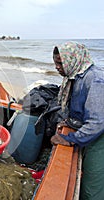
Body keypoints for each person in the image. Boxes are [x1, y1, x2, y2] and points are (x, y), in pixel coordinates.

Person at [50, 41, 104, 200]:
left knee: (92, 186)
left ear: (73, 59)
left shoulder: (95, 80)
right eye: (55, 63)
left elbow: (97, 121)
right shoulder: (75, 76)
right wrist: (69, 123)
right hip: (88, 132)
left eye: (60, 63)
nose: (57, 67)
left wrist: (71, 139)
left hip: (99, 137)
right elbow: (78, 109)